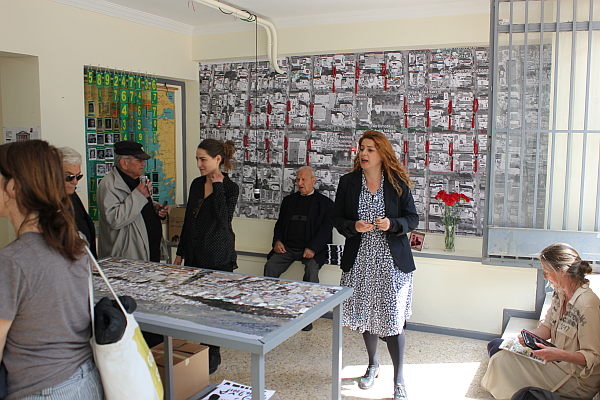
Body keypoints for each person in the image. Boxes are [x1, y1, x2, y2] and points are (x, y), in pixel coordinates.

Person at [0, 140, 104, 400]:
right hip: (87, 382)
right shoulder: (73, 239)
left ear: (11, 187)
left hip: (42, 389)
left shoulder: (12, 261)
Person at [332, 130, 419, 400]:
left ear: (382, 153)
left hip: (392, 263)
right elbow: (337, 218)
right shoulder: (348, 182)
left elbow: (412, 219)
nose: (364, 154)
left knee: (393, 322)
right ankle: (372, 365)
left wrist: (392, 224)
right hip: (361, 261)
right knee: (367, 318)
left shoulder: (397, 182)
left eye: (370, 149)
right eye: (361, 149)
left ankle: (399, 379)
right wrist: (353, 226)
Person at [481, 243, 600, 400]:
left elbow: (593, 357)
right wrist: (529, 336)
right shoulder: (560, 294)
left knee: (503, 360)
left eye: (546, 272)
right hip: (556, 362)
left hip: (575, 378)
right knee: (498, 346)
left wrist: (560, 355)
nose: (544, 277)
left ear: (562, 272)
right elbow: (549, 327)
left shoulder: (587, 305)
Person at [174, 138, 239, 374]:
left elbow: (223, 222)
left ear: (217, 160)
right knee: (196, 305)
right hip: (194, 253)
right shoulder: (195, 184)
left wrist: (219, 186)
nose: (199, 164)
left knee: (214, 309)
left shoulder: (230, 188)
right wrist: (180, 252)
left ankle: (213, 351)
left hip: (218, 256)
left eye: (203, 159)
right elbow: (189, 221)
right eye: (197, 159)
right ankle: (197, 348)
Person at [263, 166, 334, 331]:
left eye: (304, 179)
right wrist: (277, 241)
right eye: (298, 180)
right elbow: (279, 224)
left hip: (311, 250)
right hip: (287, 248)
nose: (300, 183)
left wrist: (312, 248)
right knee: (271, 266)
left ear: (313, 181)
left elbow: (325, 230)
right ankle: (270, 307)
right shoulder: (289, 201)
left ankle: (306, 316)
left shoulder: (325, 204)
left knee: (311, 271)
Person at [97, 141, 168, 262]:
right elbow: (114, 219)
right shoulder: (109, 185)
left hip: (150, 253)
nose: (143, 163)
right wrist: (139, 195)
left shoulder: (138, 179)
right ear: (124, 163)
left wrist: (154, 208)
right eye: (139, 160)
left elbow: (138, 208)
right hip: (127, 259)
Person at [58, 146, 97, 258]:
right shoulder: (50, 201)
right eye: (69, 177)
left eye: (78, 176)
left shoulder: (72, 195)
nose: (75, 182)